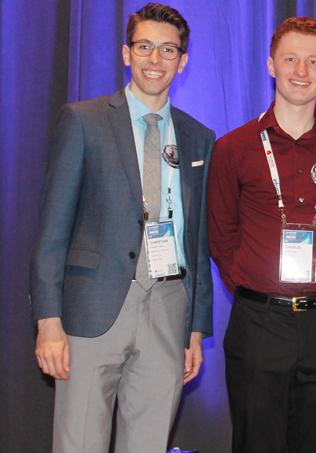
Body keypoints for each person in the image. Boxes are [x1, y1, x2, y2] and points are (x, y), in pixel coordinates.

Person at [30, 3, 214, 451]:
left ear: (183, 61)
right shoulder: (84, 121)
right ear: (126, 53)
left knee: (149, 443)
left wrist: (195, 326)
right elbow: (53, 229)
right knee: (80, 443)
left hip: (169, 308)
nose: (156, 60)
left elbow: (197, 237)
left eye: (168, 50)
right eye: (145, 47)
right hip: (93, 308)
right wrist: (47, 321)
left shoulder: (198, 136)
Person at [207, 16, 316, 453]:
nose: (301, 70)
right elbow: (220, 235)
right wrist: (251, 286)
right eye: (291, 59)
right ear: (271, 65)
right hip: (259, 323)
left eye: (313, 61)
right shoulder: (233, 147)